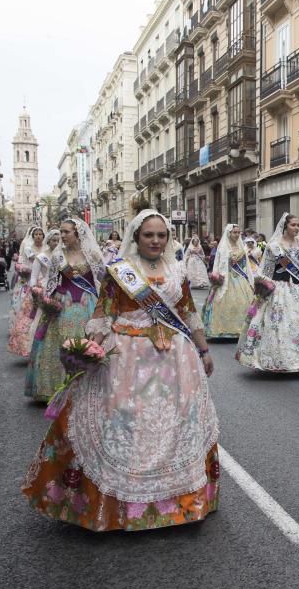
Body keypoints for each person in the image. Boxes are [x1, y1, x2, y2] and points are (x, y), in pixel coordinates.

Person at [21, 209, 219, 532]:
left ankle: (177, 501)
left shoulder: (178, 270)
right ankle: (119, 506)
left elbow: (188, 312)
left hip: (174, 359)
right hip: (126, 357)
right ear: (136, 237)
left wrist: (204, 350)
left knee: (174, 424)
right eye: (148, 235)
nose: (155, 241)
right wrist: (89, 349)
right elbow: (104, 315)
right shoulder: (119, 272)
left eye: (161, 235)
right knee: (125, 425)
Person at [25, 218, 106, 402]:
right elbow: (52, 283)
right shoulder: (57, 256)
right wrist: (47, 301)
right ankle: (56, 387)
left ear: (78, 234)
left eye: (66, 232)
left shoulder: (93, 255)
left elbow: (103, 280)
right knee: (58, 344)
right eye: (61, 232)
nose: (62, 235)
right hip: (63, 303)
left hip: (88, 303)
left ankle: (87, 386)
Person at [237, 213, 299, 373]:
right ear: (285, 226)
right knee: (280, 326)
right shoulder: (274, 246)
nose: (297, 228)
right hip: (279, 291)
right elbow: (265, 270)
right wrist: (263, 284)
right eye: (293, 225)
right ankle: (281, 360)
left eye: (298, 225)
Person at [201, 224, 255, 340]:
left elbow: (245, 265)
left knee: (243, 303)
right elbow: (218, 264)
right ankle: (223, 330)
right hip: (226, 278)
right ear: (229, 233)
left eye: (238, 232)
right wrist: (216, 278)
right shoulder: (223, 247)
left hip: (240, 278)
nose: (236, 235)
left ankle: (242, 330)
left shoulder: (242, 247)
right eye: (234, 232)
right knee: (223, 302)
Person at [8, 227, 47, 356]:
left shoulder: (47, 248)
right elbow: (21, 263)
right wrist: (25, 270)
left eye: (40, 234)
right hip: (30, 283)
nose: (38, 236)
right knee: (28, 312)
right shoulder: (27, 248)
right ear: (32, 236)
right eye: (36, 234)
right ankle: (26, 342)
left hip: (45, 284)